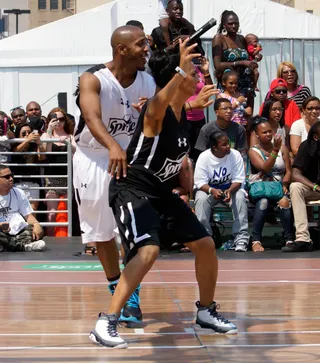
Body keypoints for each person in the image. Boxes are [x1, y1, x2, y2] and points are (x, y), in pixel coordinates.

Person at [90, 38, 237, 349]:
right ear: (175, 78)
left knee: (206, 244)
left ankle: (206, 312)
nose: (197, 79)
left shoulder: (181, 110)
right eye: (192, 76)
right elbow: (160, 103)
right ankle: (107, 322)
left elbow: (181, 102)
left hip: (161, 192)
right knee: (148, 251)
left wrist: (191, 93)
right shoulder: (155, 112)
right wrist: (181, 71)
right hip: (133, 189)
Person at [73, 25, 157, 327]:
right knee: (102, 233)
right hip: (94, 156)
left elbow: (160, 116)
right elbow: (92, 117)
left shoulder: (147, 81)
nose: (146, 49)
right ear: (121, 50)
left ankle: (130, 297)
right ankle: (114, 285)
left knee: (133, 231)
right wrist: (112, 146)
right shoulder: (92, 78)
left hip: (129, 159)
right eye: (140, 45)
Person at [194, 132, 249, 252]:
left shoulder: (235, 155)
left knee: (240, 196)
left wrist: (230, 190)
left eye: (228, 143)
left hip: (231, 189)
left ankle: (241, 239)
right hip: (210, 190)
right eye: (224, 145)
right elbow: (199, 182)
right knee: (200, 198)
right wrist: (211, 190)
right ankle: (204, 238)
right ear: (214, 147)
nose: (228, 147)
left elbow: (239, 180)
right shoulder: (204, 157)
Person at [248, 117, 294, 252]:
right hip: (261, 188)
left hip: (279, 187)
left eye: (270, 131)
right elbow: (265, 168)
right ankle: (256, 240)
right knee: (263, 202)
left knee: (285, 202)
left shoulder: (283, 148)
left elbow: (288, 171)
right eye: (264, 132)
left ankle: (289, 239)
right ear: (257, 135)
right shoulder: (253, 151)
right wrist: (275, 151)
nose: (268, 134)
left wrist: (285, 184)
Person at [212, 10, 257, 109]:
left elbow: (251, 54)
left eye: (236, 23)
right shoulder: (219, 38)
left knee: (246, 117)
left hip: (245, 84)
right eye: (230, 23)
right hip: (229, 86)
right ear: (224, 25)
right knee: (228, 114)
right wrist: (242, 63)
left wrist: (256, 57)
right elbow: (218, 65)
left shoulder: (241, 39)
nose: (233, 26)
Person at [42, 108, 75, 236]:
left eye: (61, 119)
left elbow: (76, 152)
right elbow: (47, 152)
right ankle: (50, 239)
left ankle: (68, 238)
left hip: (68, 178)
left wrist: (67, 143)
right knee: (51, 212)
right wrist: (50, 131)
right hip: (52, 179)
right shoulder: (46, 135)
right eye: (55, 119)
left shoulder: (71, 136)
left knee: (67, 211)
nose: (59, 122)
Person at [288, 122, 320, 252]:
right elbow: (295, 174)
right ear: (316, 137)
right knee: (295, 187)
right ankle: (303, 239)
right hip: (313, 188)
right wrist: (315, 187)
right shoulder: (306, 147)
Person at [0, 164, 45, 252]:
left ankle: (8, 245)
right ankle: (24, 247)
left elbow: (29, 216)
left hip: (18, 231)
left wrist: (36, 224)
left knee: (35, 230)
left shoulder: (19, 193)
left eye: (11, 175)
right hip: (2, 232)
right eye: (7, 177)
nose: (11, 179)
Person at [12, 123, 46, 212]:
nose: (27, 135)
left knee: (32, 211)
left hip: (33, 183)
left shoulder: (34, 146)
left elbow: (42, 157)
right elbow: (15, 152)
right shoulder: (14, 144)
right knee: (18, 212)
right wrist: (27, 140)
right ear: (18, 134)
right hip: (17, 184)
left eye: (29, 132)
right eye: (24, 133)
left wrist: (39, 143)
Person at [186, 56, 213, 161]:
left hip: (200, 118)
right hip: (185, 117)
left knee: (199, 152)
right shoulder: (179, 69)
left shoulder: (198, 69)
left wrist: (206, 72)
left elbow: (210, 88)